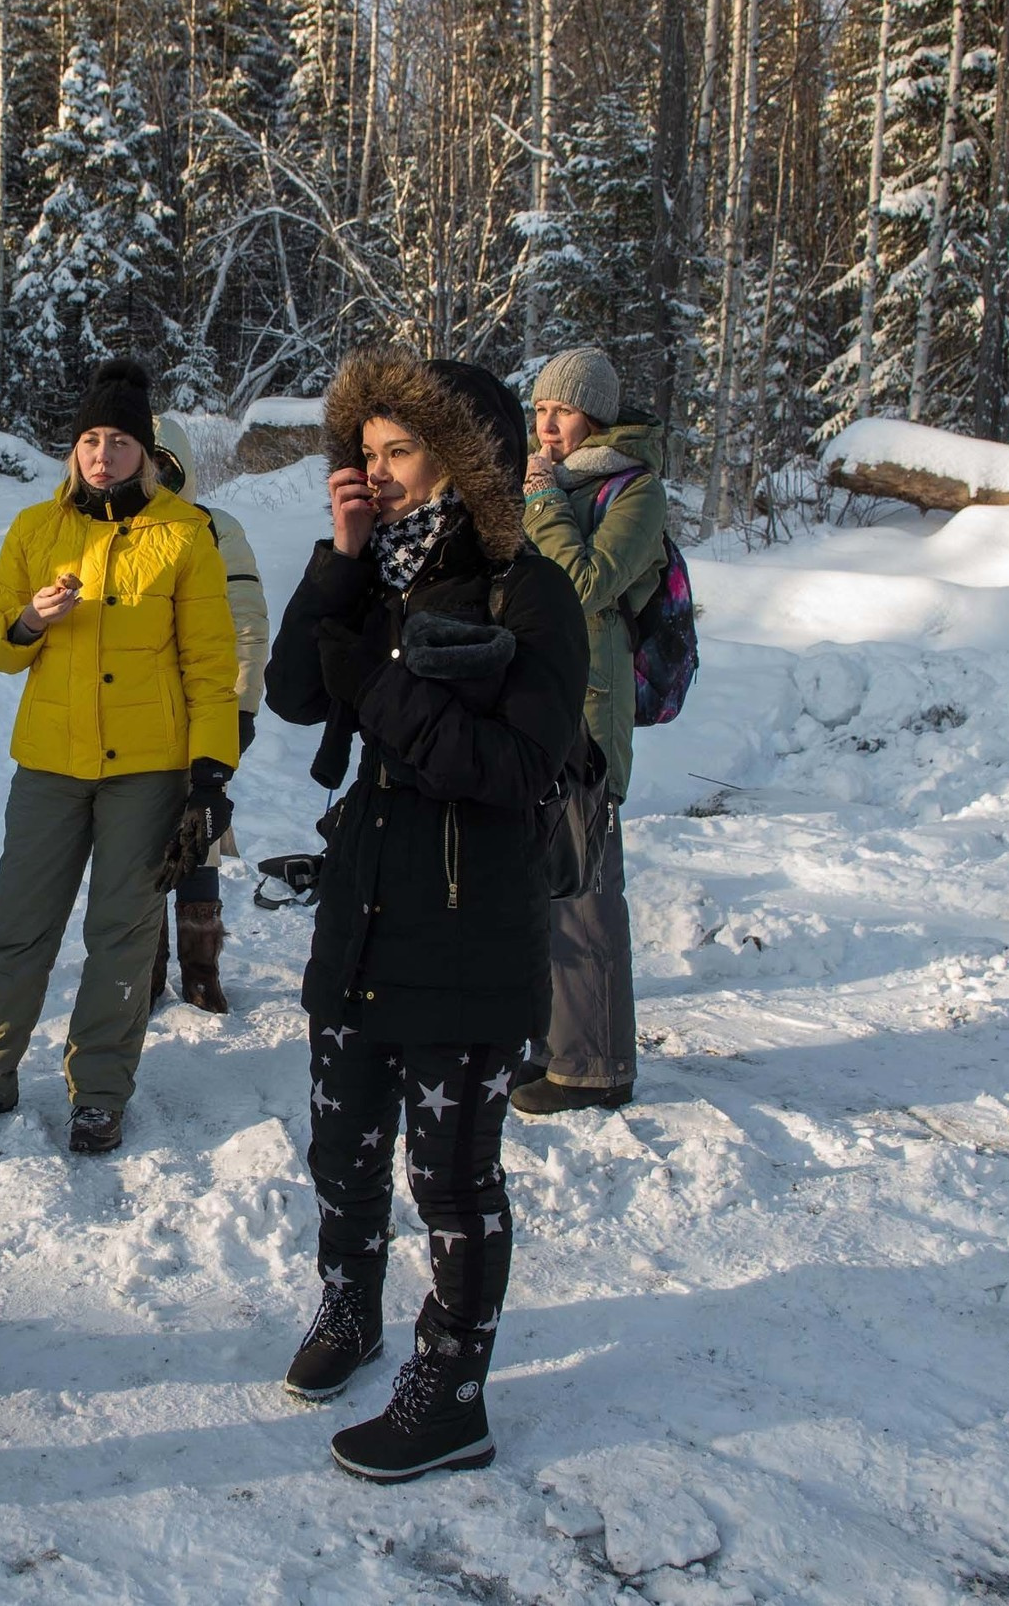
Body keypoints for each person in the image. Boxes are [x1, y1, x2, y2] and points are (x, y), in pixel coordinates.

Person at [264, 345, 588, 1483]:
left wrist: (379, 684)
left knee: (451, 1176)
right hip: (361, 914)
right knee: (340, 1149)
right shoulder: (377, 574)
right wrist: (339, 564)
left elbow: (512, 766)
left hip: (468, 926)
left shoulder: (528, 593)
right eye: (366, 455)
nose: (381, 473)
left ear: (463, 459)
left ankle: (450, 1388)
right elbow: (292, 691)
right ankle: (349, 1311)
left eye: (401, 452)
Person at [0, 359, 239, 1155]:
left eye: (119, 441)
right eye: (90, 440)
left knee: (120, 931)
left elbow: (209, 663)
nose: (102, 455)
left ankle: (99, 1092)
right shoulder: (35, 528)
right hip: (51, 765)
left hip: (147, 768)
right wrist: (28, 619)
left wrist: (209, 775)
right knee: (19, 927)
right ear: (74, 448)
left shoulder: (185, 535)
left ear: (145, 452)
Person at [513, 346, 668, 1117]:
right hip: (539, 708)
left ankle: (598, 1066)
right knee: (543, 890)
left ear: (597, 416)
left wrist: (540, 506)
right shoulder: (551, 485)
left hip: (592, 716)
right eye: (539, 409)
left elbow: (583, 585)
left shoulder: (635, 490)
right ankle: (552, 1047)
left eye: (562, 411)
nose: (546, 424)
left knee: (587, 892)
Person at [146, 415, 268, 1013]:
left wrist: (240, 710)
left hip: (203, 713)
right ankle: (141, 968)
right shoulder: (110, 531)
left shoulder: (217, 530)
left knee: (199, 838)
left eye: (163, 465)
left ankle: (201, 968)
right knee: (135, 844)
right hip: (133, 718)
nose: (152, 476)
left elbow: (246, 623)